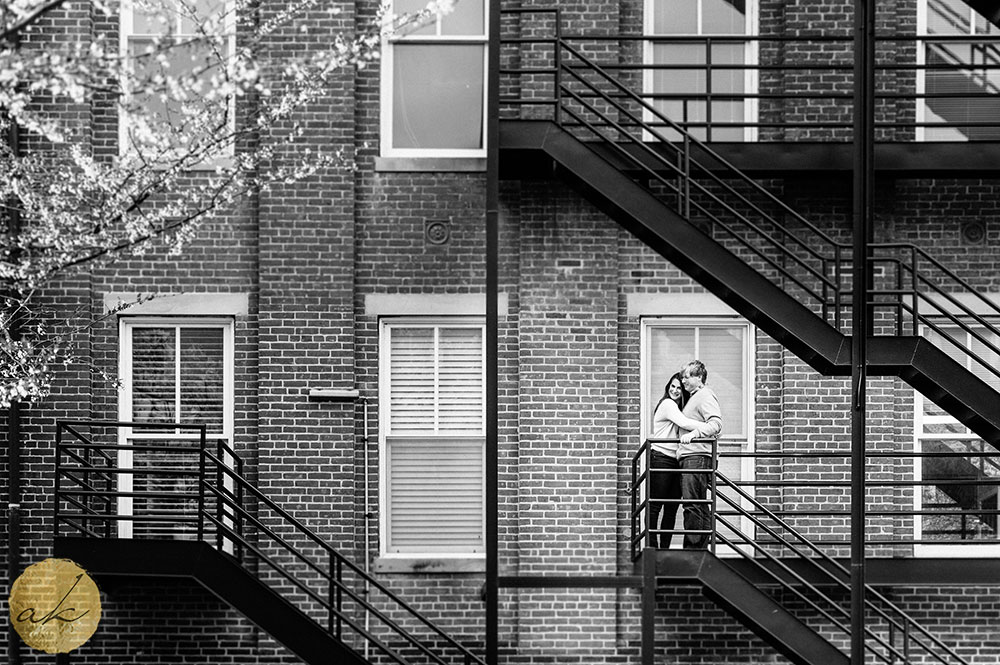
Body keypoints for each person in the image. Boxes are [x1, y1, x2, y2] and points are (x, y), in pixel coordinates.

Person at [648, 372, 700, 548]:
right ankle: (652, 547)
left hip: (676, 460)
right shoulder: (668, 404)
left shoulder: (681, 408)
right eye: (672, 386)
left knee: (671, 509)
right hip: (661, 458)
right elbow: (684, 424)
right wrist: (710, 427)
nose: (675, 390)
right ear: (668, 386)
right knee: (655, 506)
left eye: (679, 387)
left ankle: (665, 548)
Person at [676, 360, 723, 549]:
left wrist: (694, 434)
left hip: (697, 456)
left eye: (687, 376)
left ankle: (694, 549)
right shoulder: (695, 397)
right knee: (696, 503)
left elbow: (716, 424)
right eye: (682, 377)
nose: (683, 381)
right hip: (692, 457)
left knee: (692, 504)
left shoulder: (704, 395)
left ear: (700, 378)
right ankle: (699, 546)